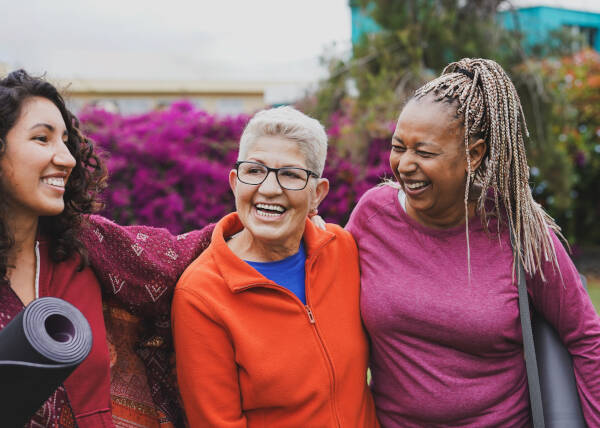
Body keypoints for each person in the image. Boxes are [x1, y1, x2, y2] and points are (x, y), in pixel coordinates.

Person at [345, 58, 600, 426]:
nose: (404, 164)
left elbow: (587, 338)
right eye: (399, 146)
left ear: (474, 154)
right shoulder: (372, 216)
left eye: (425, 152)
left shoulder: (520, 231)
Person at [0, 70, 214, 427]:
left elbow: (179, 256)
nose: (66, 159)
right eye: (42, 138)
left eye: (66, 141)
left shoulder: (83, 246)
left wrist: (266, 219)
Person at [172, 106, 379, 427]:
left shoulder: (341, 249)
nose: (269, 189)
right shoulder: (201, 294)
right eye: (254, 171)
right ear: (234, 183)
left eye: (291, 175)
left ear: (317, 194)